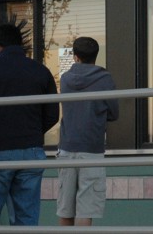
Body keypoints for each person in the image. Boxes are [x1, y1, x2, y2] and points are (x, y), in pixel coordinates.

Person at [0, 21, 59, 226]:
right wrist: (32, 132)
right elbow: (53, 114)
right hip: (32, 152)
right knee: (26, 219)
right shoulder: (41, 71)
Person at [56, 36, 119, 226]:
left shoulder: (65, 79)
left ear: (75, 56)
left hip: (67, 147)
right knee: (86, 209)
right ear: (96, 56)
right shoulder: (105, 79)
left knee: (65, 209)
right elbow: (114, 113)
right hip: (92, 148)